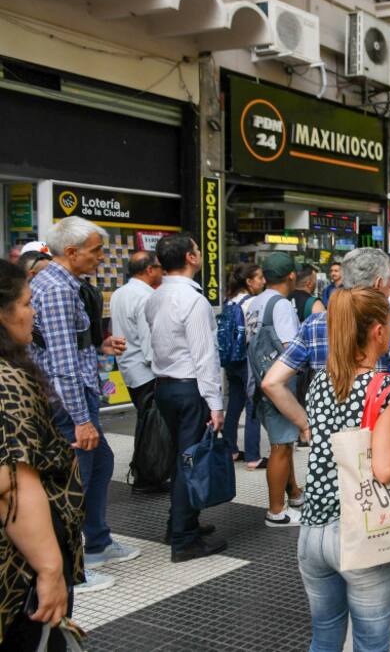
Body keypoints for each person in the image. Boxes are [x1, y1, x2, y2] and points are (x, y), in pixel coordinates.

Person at [261, 248, 390, 606]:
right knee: (374, 621)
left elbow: (271, 382)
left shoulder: (316, 325)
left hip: (323, 503)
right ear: (379, 283)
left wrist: (308, 424)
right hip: (372, 494)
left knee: (326, 627)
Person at [297, 287, 390, 652]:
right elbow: (385, 468)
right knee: (370, 642)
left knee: (325, 634)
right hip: (361, 533)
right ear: (378, 333)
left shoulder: (320, 382)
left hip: (312, 531)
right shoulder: (385, 388)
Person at [31, 217, 136, 592]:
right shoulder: (58, 290)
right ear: (71, 252)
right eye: (95, 251)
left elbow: (65, 346)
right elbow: (60, 364)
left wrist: (98, 347)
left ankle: (98, 542)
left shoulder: (64, 284)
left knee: (101, 462)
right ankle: (70, 567)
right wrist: (81, 419)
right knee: (74, 481)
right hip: (67, 403)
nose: (101, 258)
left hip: (74, 395)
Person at [0, 259, 86, 647]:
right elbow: (11, 483)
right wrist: (50, 569)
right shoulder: (7, 381)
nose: (33, 313)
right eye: (26, 303)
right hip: (17, 567)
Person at [145, 233, 228, 563]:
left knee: (183, 459)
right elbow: (204, 356)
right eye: (197, 249)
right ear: (192, 258)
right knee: (188, 461)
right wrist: (216, 403)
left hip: (164, 385)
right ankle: (184, 540)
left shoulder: (155, 297)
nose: (199, 253)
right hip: (190, 386)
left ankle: (179, 524)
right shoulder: (194, 300)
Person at [246, 253, 305, 527]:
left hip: (258, 381)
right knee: (281, 446)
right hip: (277, 384)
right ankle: (276, 511)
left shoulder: (255, 302)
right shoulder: (281, 305)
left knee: (284, 442)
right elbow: (289, 347)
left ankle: (293, 493)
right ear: (291, 275)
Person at [109, 251, 165, 491]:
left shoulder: (119, 293)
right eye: (159, 267)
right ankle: (149, 474)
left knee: (145, 423)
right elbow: (149, 342)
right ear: (149, 270)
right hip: (146, 372)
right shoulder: (146, 297)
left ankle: (144, 471)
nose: (163, 271)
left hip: (129, 369)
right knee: (153, 427)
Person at [225, 264, 267, 470]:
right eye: (259, 278)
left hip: (231, 359)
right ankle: (253, 456)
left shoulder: (230, 300)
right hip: (248, 358)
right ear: (249, 282)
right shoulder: (252, 302)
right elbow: (255, 333)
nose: (263, 281)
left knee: (234, 404)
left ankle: (230, 449)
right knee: (253, 405)